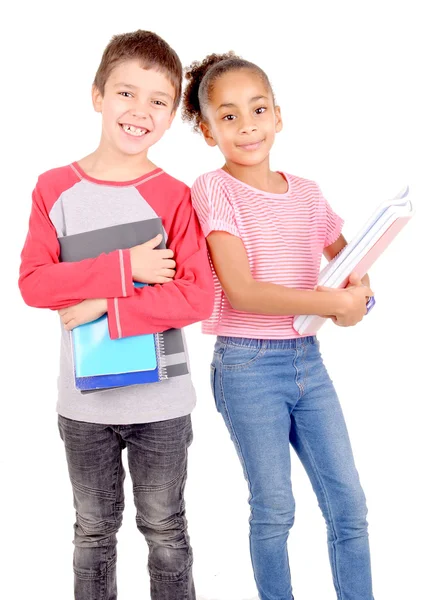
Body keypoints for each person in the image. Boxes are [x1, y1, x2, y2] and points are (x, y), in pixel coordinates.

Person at [18, 30, 214, 600]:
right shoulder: (54, 188)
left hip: (162, 403)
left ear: (173, 112)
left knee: (165, 530)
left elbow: (196, 297)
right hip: (82, 405)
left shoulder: (175, 196)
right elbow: (34, 284)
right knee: (93, 532)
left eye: (159, 100)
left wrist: (103, 303)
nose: (141, 111)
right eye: (127, 93)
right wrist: (124, 265)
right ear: (98, 95)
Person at [183, 52, 375, 600]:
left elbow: (353, 262)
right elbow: (240, 289)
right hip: (246, 365)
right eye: (228, 116)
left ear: (278, 116)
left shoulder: (309, 193)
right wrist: (330, 299)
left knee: (349, 505)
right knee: (275, 508)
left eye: (258, 109)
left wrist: (358, 297)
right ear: (207, 130)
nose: (247, 126)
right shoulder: (213, 189)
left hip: (308, 361)